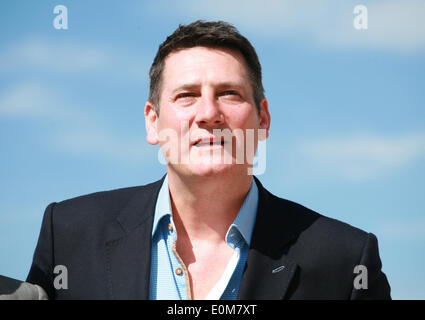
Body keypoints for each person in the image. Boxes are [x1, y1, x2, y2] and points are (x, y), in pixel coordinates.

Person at [26, 20, 391, 300]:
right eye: (186, 95)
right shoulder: (70, 235)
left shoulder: (345, 260)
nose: (208, 113)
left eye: (229, 94)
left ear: (262, 119)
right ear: (153, 122)